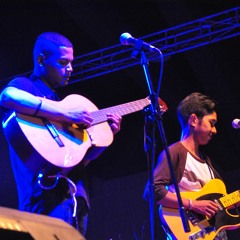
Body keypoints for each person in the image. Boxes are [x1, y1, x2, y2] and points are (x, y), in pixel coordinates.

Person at [0, 32, 122, 236]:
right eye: (63, 62)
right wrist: (65, 113)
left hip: (75, 198)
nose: (70, 69)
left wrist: (107, 137)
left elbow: (79, 161)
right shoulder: (26, 86)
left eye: (71, 63)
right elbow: (7, 96)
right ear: (41, 60)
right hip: (44, 199)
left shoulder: (58, 101)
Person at [144, 92, 232, 240]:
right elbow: (152, 191)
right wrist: (193, 205)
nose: (215, 130)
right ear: (193, 119)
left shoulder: (206, 160)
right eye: (212, 123)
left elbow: (218, 205)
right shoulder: (175, 152)